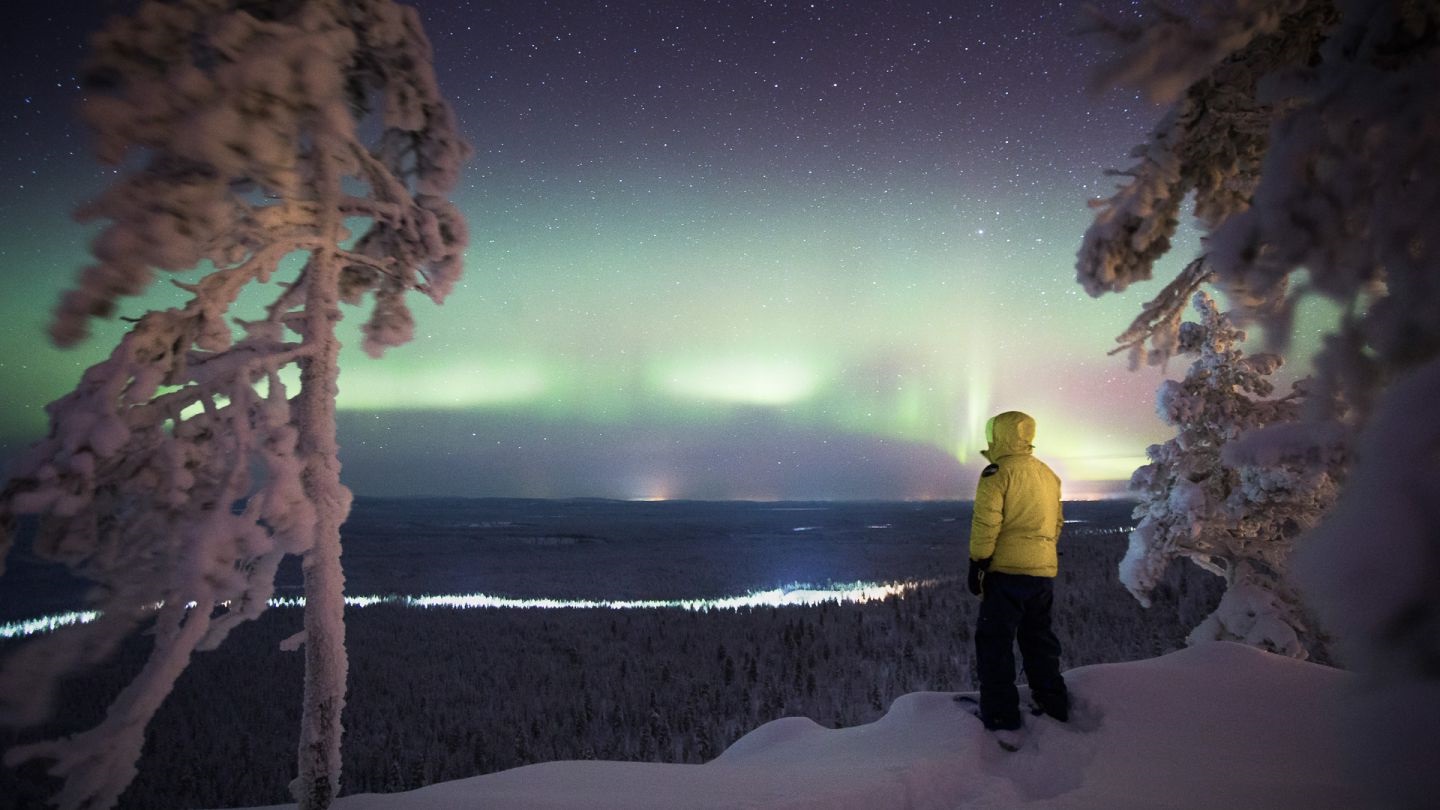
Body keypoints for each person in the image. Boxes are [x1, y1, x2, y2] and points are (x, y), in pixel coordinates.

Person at [967, 410, 1069, 732]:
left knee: (995, 642)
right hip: (1042, 571)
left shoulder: (997, 473)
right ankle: (1053, 701)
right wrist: (1041, 554)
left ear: (999, 435)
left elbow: (987, 522)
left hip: (1007, 573)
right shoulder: (1048, 474)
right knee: (1039, 638)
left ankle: (1000, 715)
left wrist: (978, 562)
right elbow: (1056, 523)